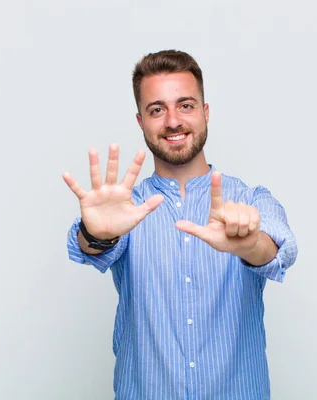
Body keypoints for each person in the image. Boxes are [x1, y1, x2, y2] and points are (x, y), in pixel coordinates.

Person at [63, 49, 298, 399]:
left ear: (205, 113)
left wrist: (249, 245)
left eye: (185, 105)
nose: (173, 121)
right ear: (141, 122)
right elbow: (88, 246)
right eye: (157, 110)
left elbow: (280, 251)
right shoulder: (129, 208)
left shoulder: (249, 199)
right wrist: (97, 234)